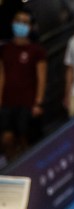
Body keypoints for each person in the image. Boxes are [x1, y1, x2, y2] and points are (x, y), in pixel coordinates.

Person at [0, 9, 47, 160]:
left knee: (25, 139)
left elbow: (41, 79)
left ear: (31, 27)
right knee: (6, 139)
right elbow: (1, 75)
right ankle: (13, 171)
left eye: (25, 22)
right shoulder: (4, 49)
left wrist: (38, 103)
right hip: (7, 102)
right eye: (18, 21)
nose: (21, 25)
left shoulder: (37, 51)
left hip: (27, 103)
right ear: (12, 23)